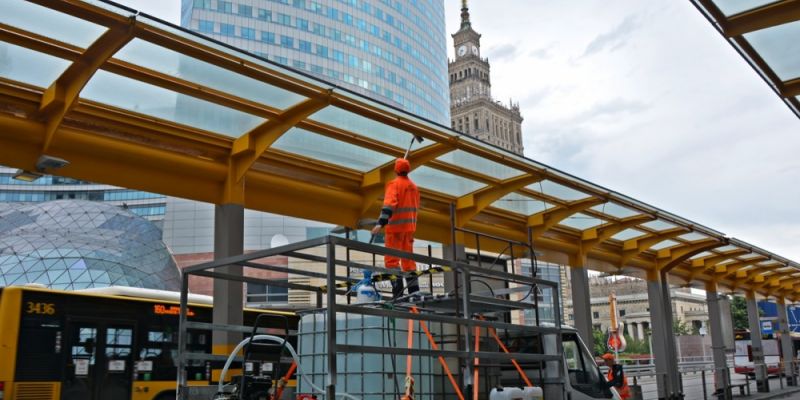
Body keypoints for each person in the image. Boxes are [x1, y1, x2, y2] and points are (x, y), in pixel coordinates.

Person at [371, 158, 420, 299]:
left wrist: (380, 223)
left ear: (395, 170)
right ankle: (414, 291)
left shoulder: (394, 185)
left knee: (392, 261)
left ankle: (397, 293)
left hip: (395, 229)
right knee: (408, 261)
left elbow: (389, 206)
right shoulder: (414, 188)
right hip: (409, 229)